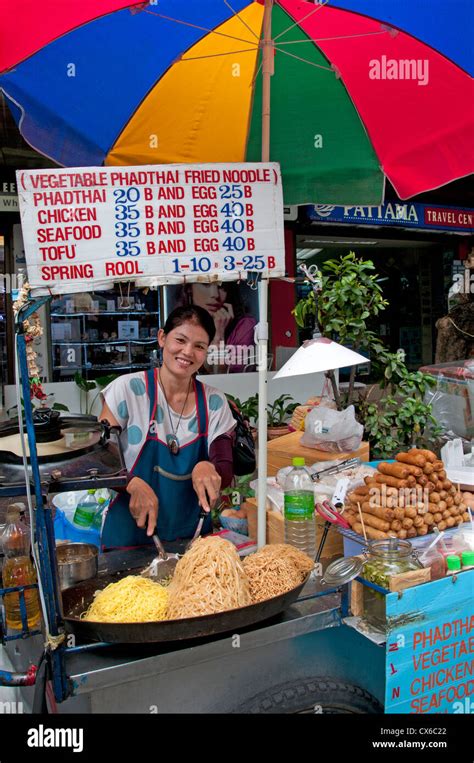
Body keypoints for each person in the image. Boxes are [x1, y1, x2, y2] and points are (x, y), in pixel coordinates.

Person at [100, 306, 236, 548]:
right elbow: (100, 456)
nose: (187, 352)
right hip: (128, 541)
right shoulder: (127, 390)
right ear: (162, 338)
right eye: (180, 340)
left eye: (199, 346)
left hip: (193, 540)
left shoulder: (214, 402)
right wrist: (131, 483)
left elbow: (224, 467)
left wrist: (208, 466)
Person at [177, 282, 257, 372]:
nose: (215, 294)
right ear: (189, 288)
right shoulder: (178, 322)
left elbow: (222, 376)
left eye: (222, 286)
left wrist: (218, 336)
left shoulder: (244, 325)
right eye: (206, 284)